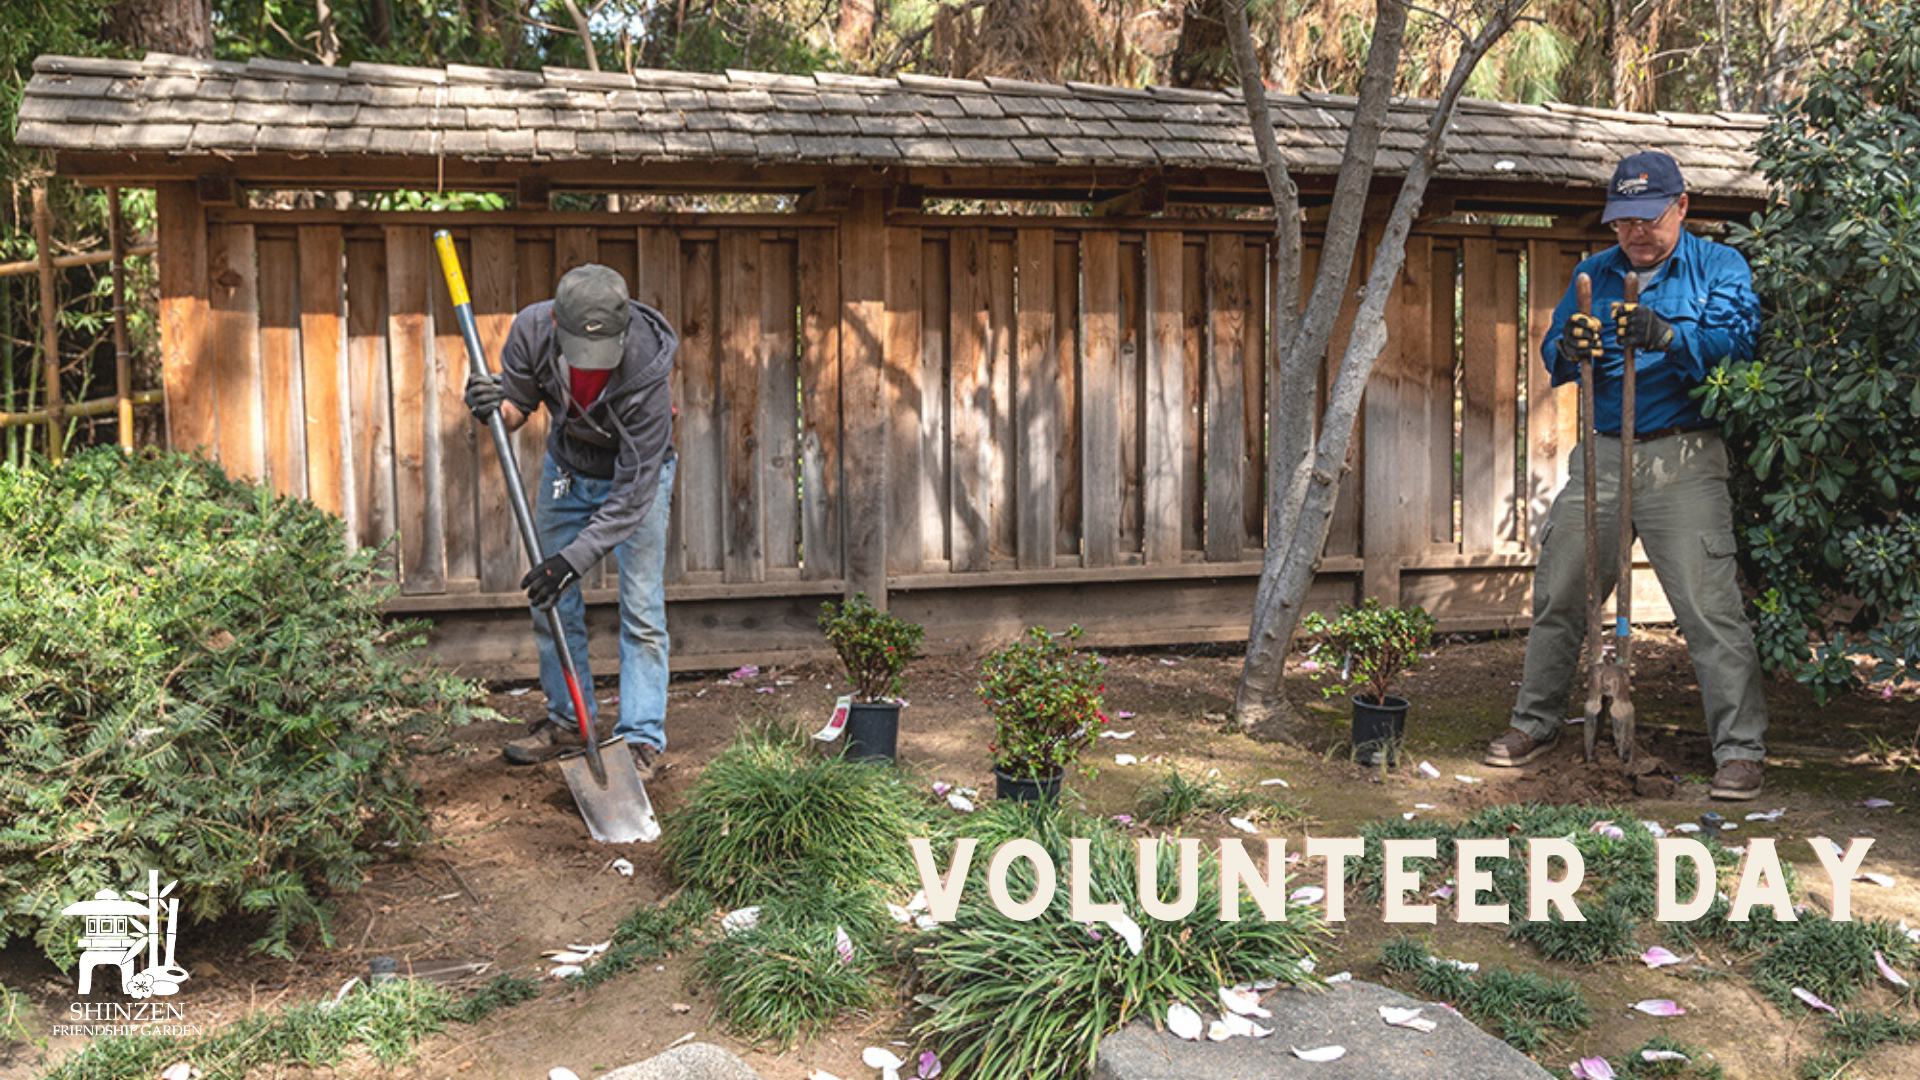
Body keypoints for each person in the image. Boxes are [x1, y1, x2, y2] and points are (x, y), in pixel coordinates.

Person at [1483, 150, 1770, 800]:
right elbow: (1555, 348)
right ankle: (1535, 723)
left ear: (1682, 208)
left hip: (1684, 456)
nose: (1636, 233)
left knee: (1708, 606)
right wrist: (1569, 347)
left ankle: (1740, 751)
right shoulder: (1593, 272)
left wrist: (1669, 337)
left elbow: (1740, 344)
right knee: (1563, 591)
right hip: (1603, 454)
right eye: (1624, 221)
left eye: (1649, 218)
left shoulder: (1717, 266)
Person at [464, 263, 677, 780]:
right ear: (558, 325)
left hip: (636, 483)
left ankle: (640, 739)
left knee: (642, 610)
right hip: (566, 471)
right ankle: (569, 721)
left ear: (624, 329)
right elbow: (517, 408)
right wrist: (491, 405)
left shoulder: (647, 369)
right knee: (550, 602)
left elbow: (630, 499)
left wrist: (571, 560)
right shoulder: (533, 329)